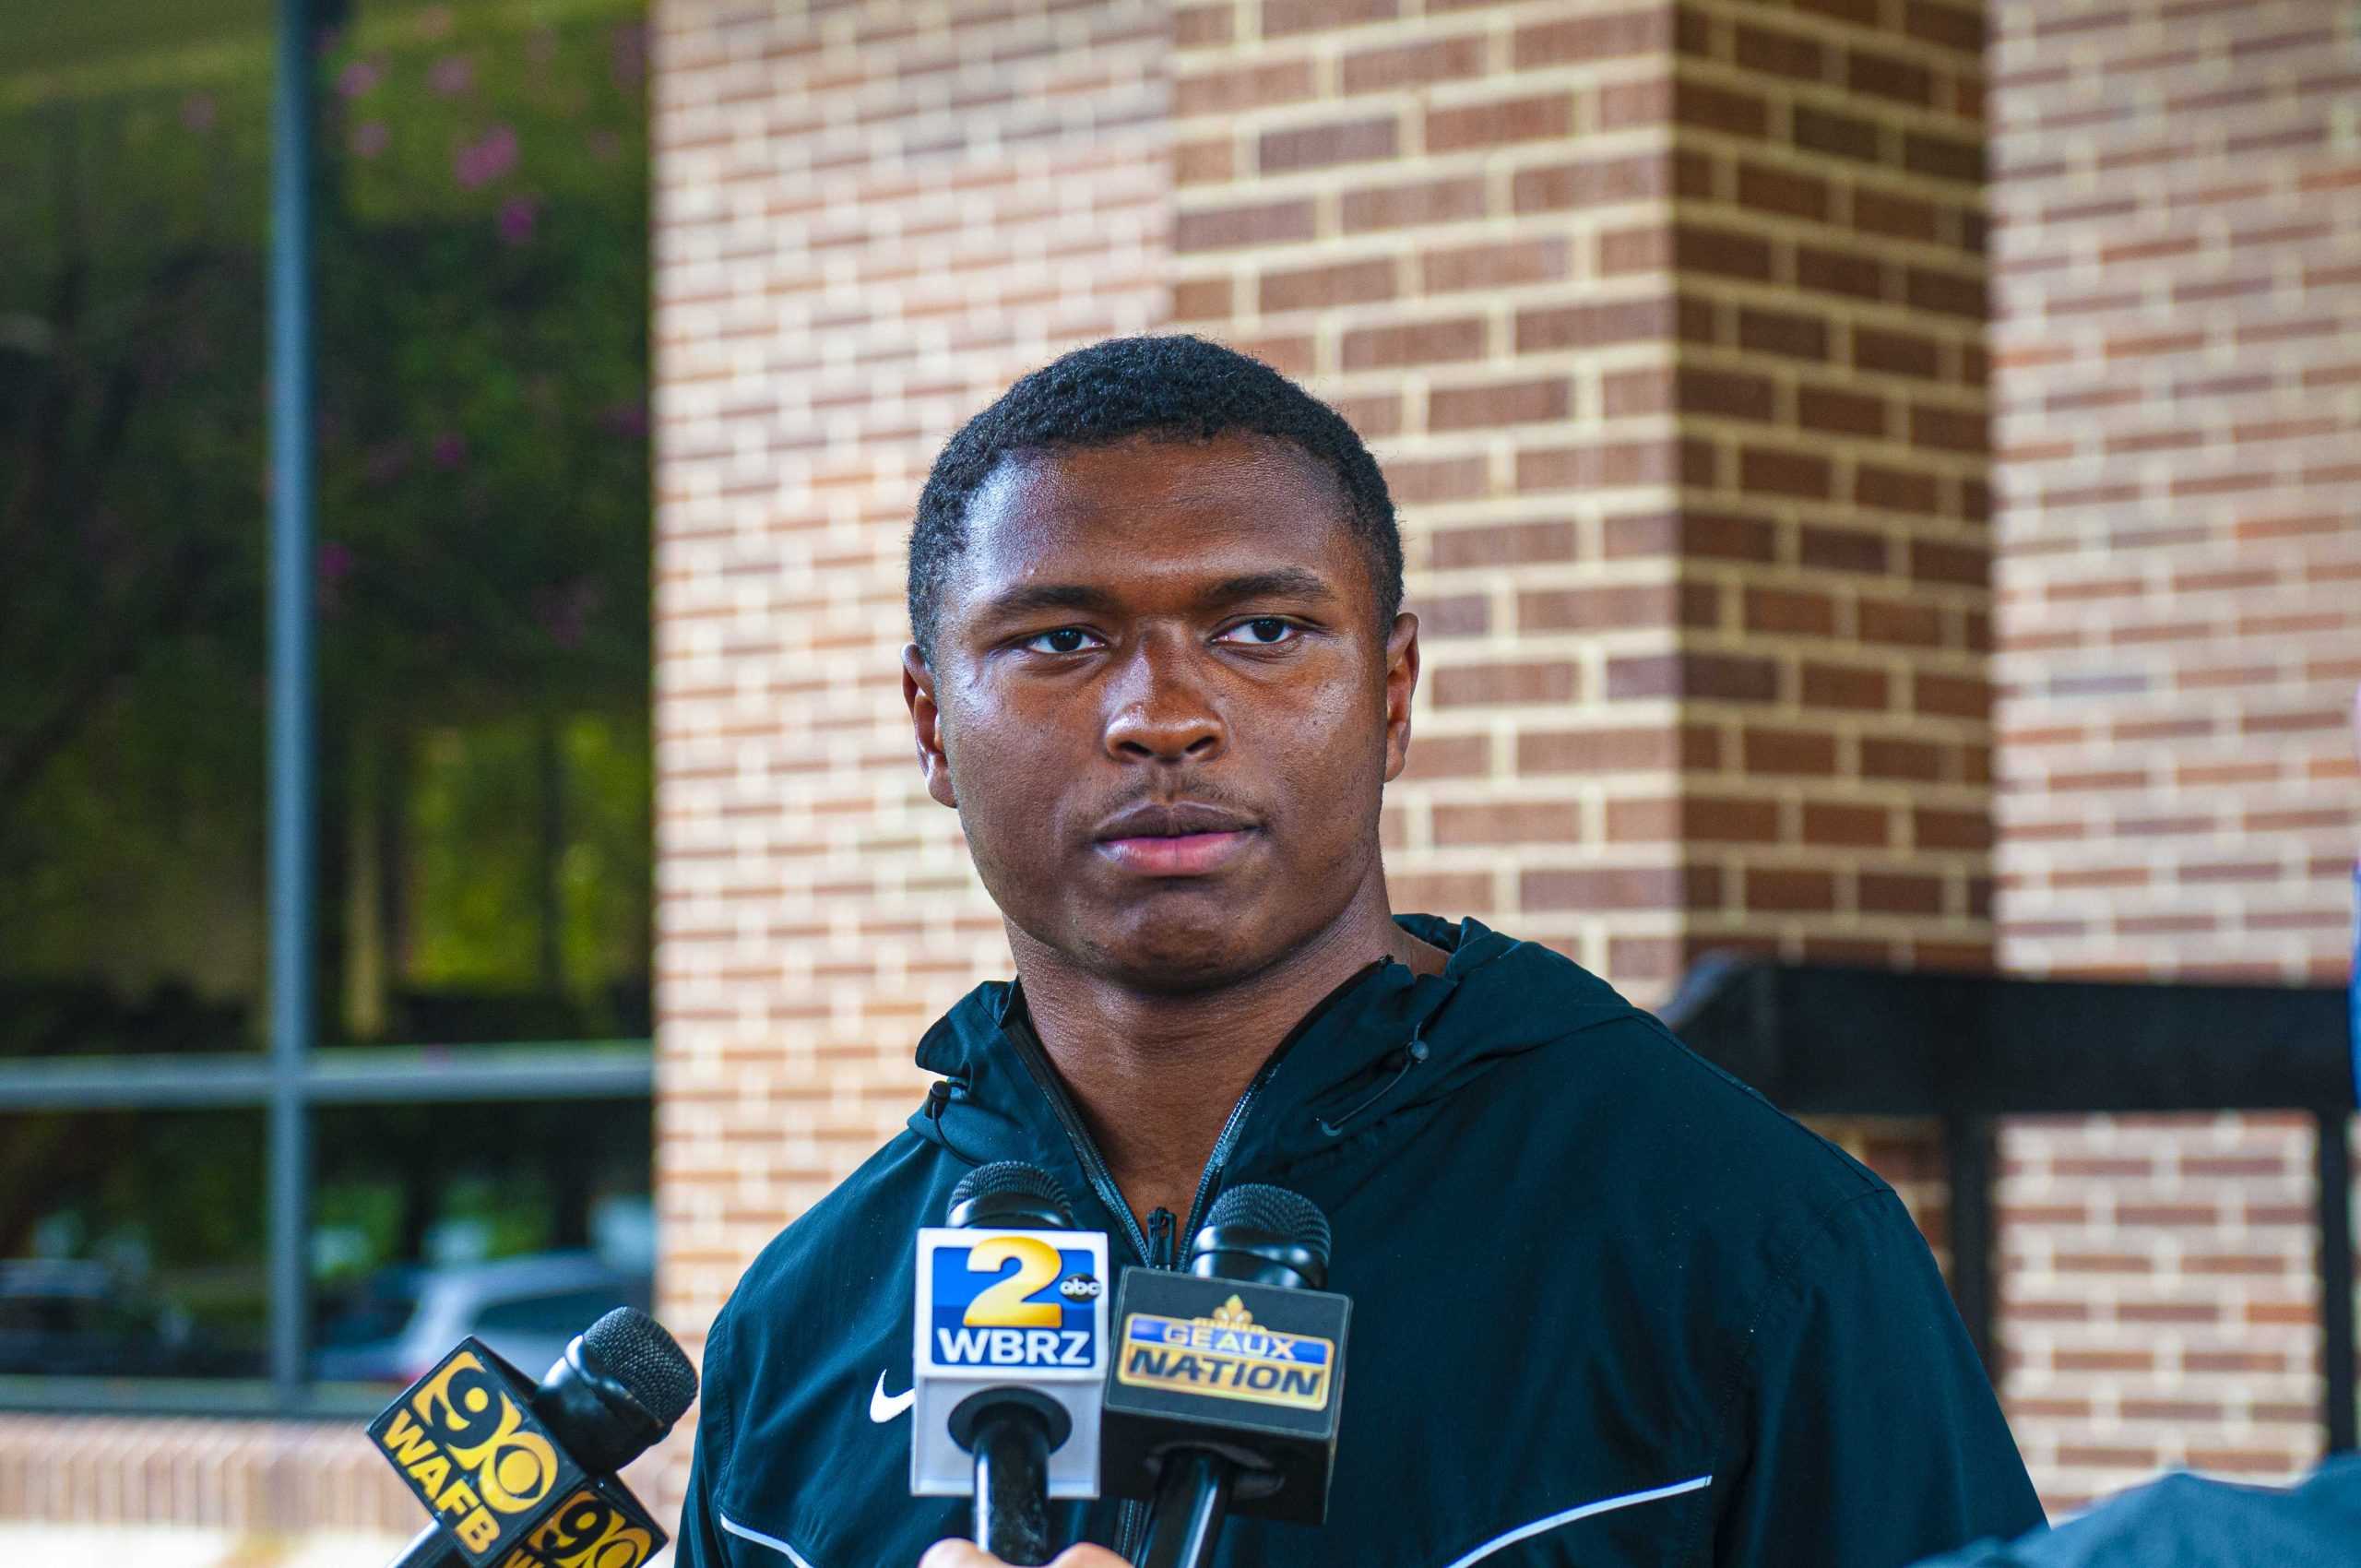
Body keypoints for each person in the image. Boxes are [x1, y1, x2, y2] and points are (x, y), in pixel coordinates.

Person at [670, 334, 2045, 1568]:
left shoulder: (1755, 1252)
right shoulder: (798, 1335)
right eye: (1063, 639)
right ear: (929, 724)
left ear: (1390, 697)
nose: (1163, 717)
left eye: (1261, 631)